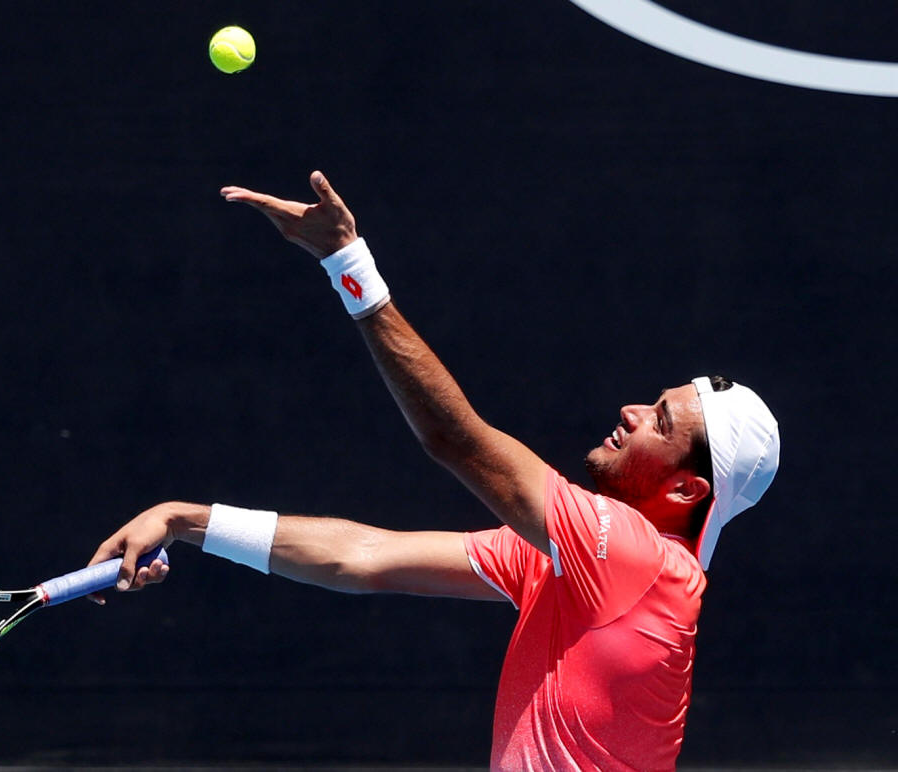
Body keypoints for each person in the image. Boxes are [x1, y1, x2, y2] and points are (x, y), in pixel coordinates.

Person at [89, 172, 780, 771]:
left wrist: (347, 262)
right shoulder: (578, 560)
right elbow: (365, 558)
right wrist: (188, 521)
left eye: (659, 421)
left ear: (686, 488)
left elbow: (454, 440)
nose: (632, 411)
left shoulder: (635, 558)